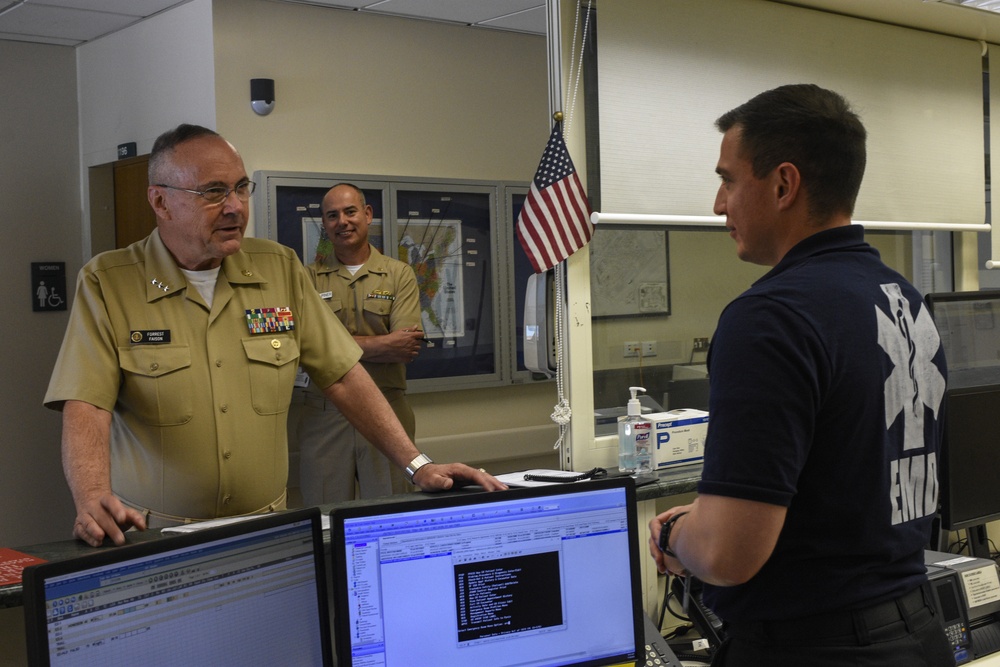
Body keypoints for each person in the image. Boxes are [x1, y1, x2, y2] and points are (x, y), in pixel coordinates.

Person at [44, 124, 504, 547]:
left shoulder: (278, 268)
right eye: (213, 192)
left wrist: (417, 465)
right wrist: (91, 494)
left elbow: (343, 374)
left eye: (241, 188)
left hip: (267, 532)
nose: (235, 206)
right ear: (160, 201)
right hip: (157, 535)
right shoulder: (108, 282)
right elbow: (86, 403)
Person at [648, 85, 953, 666]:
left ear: (784, 184)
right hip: (915, 633)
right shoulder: (904, 301)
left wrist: (674, 535)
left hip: (814, 649)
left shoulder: (770, 317)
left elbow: (727, 552)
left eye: (729, 179)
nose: (718, 204)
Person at [296, 183, 424, 503]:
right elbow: (304, 348)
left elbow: (405, 347)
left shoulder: (399, 275)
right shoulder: (306, 278)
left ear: (367, 215)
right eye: (332, 215)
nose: (343, 221)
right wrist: (382, 344)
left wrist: (330, 346)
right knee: (325, 514)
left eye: (350, 211)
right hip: (325, 416)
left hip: (388, 410)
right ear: (324, 225)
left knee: (392, 512)